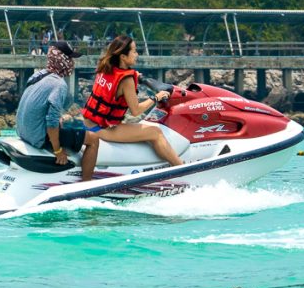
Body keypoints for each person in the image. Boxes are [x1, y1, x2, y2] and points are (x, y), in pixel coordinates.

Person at [82, 35, 184, 167]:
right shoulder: (126, 80)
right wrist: (156, 97)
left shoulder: (105, 67)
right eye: (134, 51)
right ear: (123, 56)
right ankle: (181, 168)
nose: (137, 54)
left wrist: (137, 75)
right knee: (156, 133)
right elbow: (135, 111)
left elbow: (115, 79)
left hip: (88, 123)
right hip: (102, 129)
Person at [16, 41, 100, 182]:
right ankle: (86, 183)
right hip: (38, 137)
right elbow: (52, 120)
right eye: (70, 59)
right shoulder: (59, 84)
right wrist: (58, 150)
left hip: (23, 132)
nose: (72, 63)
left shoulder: (38, 76)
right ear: (63, 60)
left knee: (67, 125)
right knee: (93, 139)